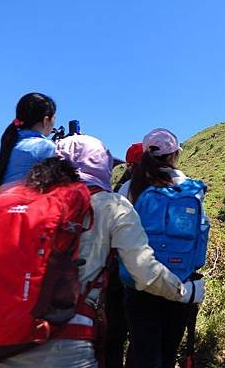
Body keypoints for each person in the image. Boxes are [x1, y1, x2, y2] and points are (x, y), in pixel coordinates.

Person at [0, 134, 204, 368]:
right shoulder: (110, 204)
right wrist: (184, 292)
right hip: (69, 344)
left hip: (3, 342)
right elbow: (144, 272)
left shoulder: (15, 204)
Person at [122, 128, 209, 368]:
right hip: (181, 282)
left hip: (139, 282)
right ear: (175, 155)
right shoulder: (191, 189)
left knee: (142, 351)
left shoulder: (130, 187)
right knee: (168, 352)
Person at [104, 141, 144, 368]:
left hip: (121, 271)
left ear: (130, 164)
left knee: (115, 336)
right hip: (150, 268)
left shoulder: (123, 189)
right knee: (142, 337)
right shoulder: (164, 186)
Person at [0, 92, 57, 194]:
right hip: (28, 207)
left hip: (1, 206)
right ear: (46, 120)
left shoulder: (10, 142)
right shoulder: (45, 147)